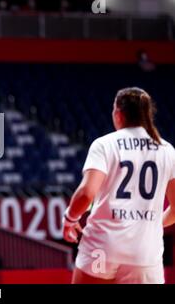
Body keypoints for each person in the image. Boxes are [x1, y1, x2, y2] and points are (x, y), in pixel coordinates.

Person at [63, 87, 175, 284]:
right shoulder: (167, 150)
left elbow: (86, 194)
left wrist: (70, 220)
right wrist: (147, 225)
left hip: (103, 247)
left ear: (118, 114)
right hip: (144, 252)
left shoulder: (105, 144)